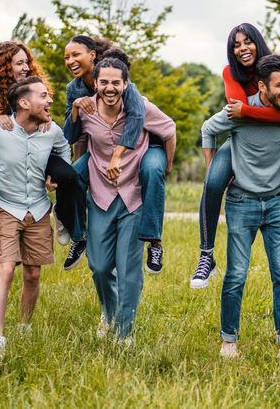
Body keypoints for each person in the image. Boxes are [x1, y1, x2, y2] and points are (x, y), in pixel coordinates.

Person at [190, 23, 280, 295]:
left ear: (258, 43)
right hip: (239, 139)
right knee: (212, 184)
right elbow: (240, 113)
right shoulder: (231, 73)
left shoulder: (277, 72)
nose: (242, 48)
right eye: (236, 44)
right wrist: (214, 168)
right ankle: (206, 255)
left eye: (247, 42)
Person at [200, 55, 280, 363]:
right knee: (236, 274)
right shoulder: (237, 110)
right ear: (262, 86)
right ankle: (229, 340)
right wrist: (213, 172)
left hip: (277, 202)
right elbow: (208, 129)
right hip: (241, 201)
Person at [0, 76, 71, 356]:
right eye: (44, 96)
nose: (50, 101)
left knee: (33, 274)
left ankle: (24, 326)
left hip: (38, 208)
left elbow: (63, 149)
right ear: (24, 102)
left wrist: (56, 175)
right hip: (6, 208)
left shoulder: (51, 130)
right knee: (6, 270)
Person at [70, 57, 176, 344]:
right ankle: (110, 312)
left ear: (126, 84)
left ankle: (124, 333)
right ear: (97, 82)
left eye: (116, 82)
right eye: (104, 81)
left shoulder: (139, 107)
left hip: (133, 196)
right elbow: (75, 140)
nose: (110, 88)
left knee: (129, 271)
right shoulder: (87, 109)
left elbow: (169, 129)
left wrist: (165, 167)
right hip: (101, 194)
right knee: (100, 267)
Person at [0, 41, 79, 272]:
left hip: (36, 148)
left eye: (27, 62)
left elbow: (46, 112)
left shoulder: (34, 87)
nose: (26, 67)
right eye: (19, 63)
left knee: (68, 175)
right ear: (3, 66)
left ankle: (62, 213)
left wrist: (45, 119)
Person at [62, 36, 170, 275]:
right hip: (100, 148)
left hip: (140, 145)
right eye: (66, 57)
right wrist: (81, 166)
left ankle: (154, 242)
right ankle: (79, 236)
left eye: (75, 55)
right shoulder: (74, 89)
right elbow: (75, 134)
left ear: (92, 55)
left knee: (152, 170)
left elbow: (136, 120)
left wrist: (117, 157)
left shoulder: (121, 81)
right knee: (71, 177)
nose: (70, 61)